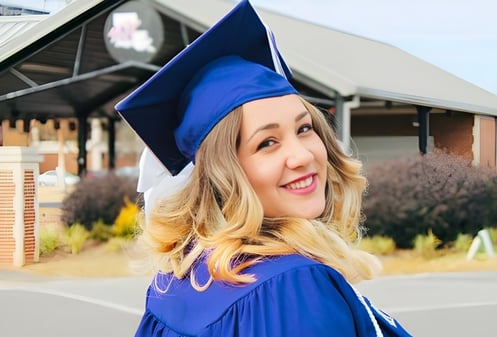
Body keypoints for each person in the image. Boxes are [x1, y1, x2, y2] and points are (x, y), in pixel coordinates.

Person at [116, 1, 412, 336]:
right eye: (266, 143)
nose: (301, 156)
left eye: (304, 129)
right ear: (221, 173)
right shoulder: (293, 285)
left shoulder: (177, 277)